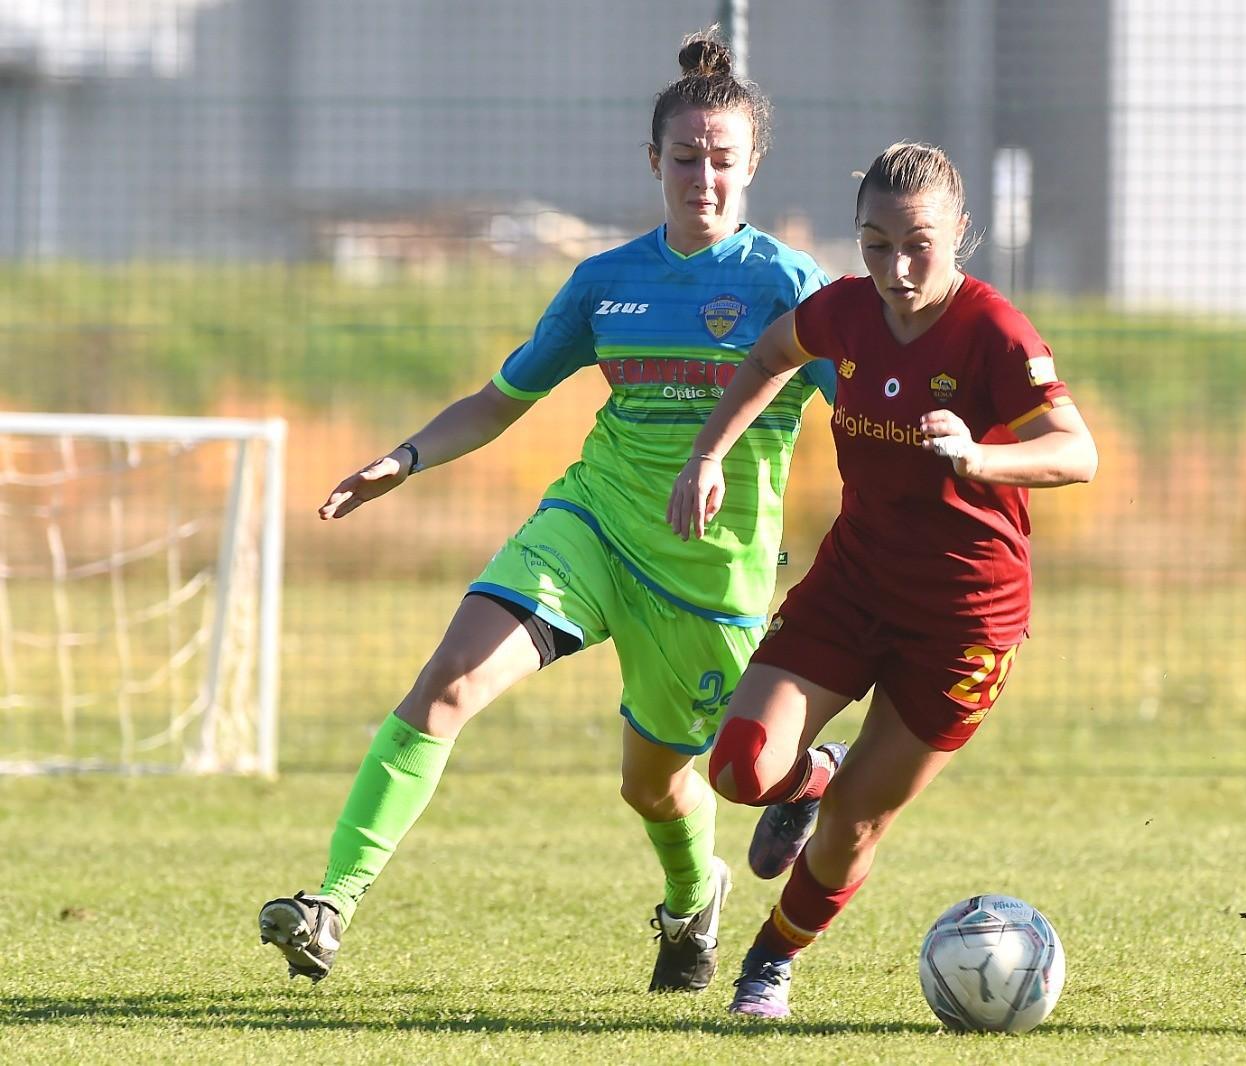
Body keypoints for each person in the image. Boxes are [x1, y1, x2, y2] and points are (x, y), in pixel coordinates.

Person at [257, 30, 834, 995]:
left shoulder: (789, 285)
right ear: (654, 162)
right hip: (590, 528)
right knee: (447, 681)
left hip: (709, 571)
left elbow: (858, 409)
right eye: (685, 159)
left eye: (723, 160)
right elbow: (500, 399)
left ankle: (702, 895)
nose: (704, 178)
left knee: (652, 785)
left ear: (753, 164)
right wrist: (403, 458)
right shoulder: (607, 283)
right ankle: (330, 901)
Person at [667, 141, 1099, 1018]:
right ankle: (812, 774)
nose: (896, 270)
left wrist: (981, 454)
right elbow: (767, 356)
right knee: (740, 767)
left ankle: (767, 966)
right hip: (855, 584)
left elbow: (1077, 450)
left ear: (960, 233)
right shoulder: (846, 313)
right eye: (873, 245)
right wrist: (709, 453)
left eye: (918, 245)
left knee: (857, 825)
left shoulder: (994, 331)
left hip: (964, 620)